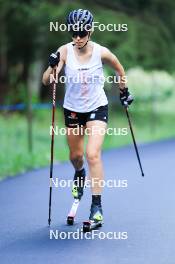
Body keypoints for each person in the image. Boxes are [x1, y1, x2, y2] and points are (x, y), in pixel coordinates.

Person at [42, 9, 133, 226]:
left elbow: (121, 70)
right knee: (76, 156)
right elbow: (47, 81)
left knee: (92, 154)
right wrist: (52, 65)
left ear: (90, 31)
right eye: (74, 33)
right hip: (72, 109)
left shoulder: (101, 52)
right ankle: (79, 173)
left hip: (96, 108)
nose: (78, 37)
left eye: (82, 33)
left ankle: (96, 206)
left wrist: (124, 91)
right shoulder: (64, 51)